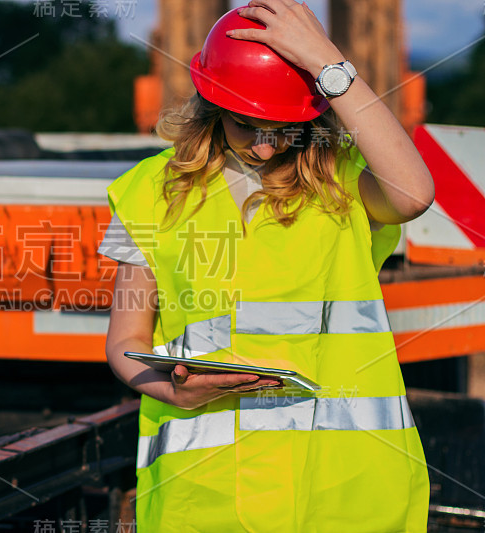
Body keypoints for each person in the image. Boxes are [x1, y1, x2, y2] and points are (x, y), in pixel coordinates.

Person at [98, 2, 434, 532]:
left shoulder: (341, 184)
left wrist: (329, 65)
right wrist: (170, 389)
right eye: (244, 124)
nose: (264, 144)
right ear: (211, 104)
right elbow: (125, 339)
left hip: (342, 495)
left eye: (282, 128)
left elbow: (414, 194)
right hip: (205, 497)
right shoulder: (148, 192)